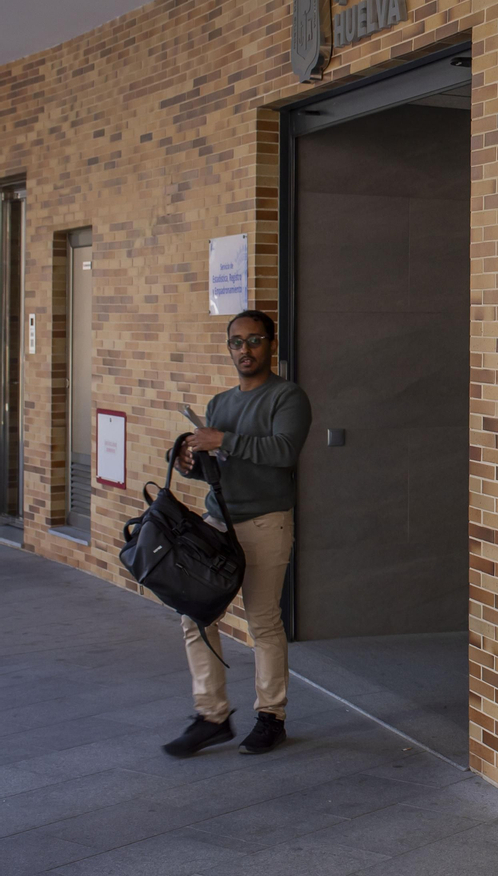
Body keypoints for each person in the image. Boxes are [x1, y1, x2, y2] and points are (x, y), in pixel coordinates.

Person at [162, 309, 311, 758]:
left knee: (263, 622)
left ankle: (271, 718)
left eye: (253, 341)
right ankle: (212, 716)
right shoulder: (220, 403)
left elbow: (283, 452)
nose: (244, 350)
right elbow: (217, 472)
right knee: (194, 616)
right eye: (236, 342)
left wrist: (222, 440)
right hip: (217, 523)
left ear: (271, 344)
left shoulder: (288, 397)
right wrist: (190, 462)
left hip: (266, 522)